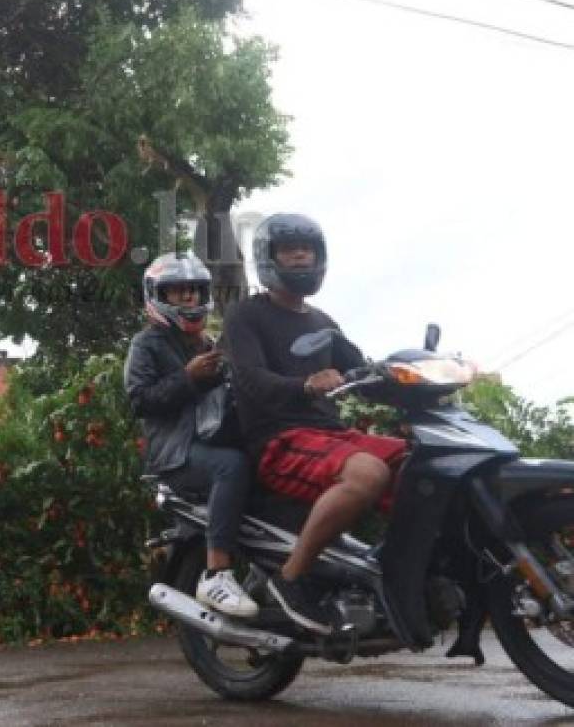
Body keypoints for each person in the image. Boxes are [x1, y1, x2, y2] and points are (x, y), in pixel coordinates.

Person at [223, 213, 406, 634]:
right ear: (269, 258)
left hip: (332, 437)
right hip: (279, 438)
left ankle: (387, 570)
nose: (301, 255)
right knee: (367, 473)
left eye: (308, 248)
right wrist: (305, 385)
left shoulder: (322, 323)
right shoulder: (246, 316)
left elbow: (363, 372)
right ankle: (292, 578)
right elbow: (249, 378)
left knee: (422, 465)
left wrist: (415, 380)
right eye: (290, 249)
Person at [124, 253, 258, 619]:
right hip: (176, 452)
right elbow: (139, 401)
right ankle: (216, 573)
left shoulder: (207, 342)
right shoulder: (146, 344)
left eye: (194, 293)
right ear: (157, 297)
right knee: (231, 467)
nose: (188, 300)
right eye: (179, 293)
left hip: (212, 439)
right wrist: (188, 378)